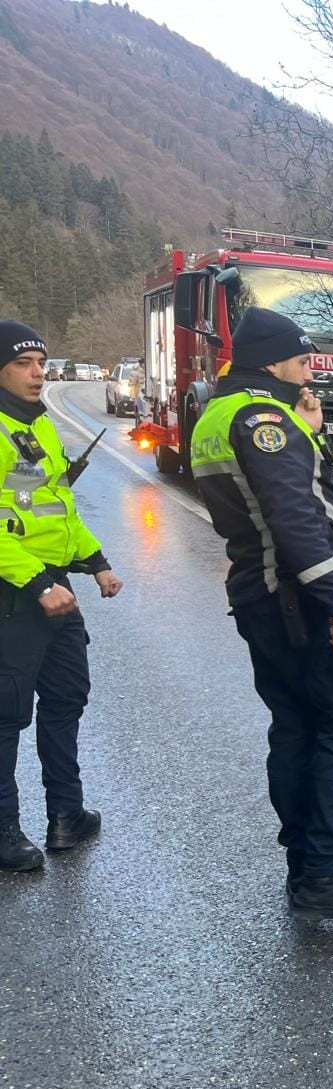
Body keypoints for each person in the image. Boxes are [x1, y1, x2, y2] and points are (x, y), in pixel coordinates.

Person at [190, 306, 333, 924]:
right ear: (273, 362)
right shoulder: (261, 419)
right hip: (297, 600)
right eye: (304, 362)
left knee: (296, 727)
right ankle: (324, 874)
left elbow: (286, 491)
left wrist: (309, 428)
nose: (311, 374)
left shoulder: (219, 413)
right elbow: (295, 516)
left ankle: (304, 870)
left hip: (259, 595)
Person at [0, 321, 122, 873]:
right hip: (14, 592)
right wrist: (35, 582)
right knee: (5, 716)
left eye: (41, 363)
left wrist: (95, 562)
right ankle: (3, 831)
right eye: (24, 364)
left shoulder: (36, 426)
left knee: (66, 697)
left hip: (55, 585)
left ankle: (65, 814)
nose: (37, 373)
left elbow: (53, 508)